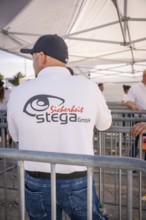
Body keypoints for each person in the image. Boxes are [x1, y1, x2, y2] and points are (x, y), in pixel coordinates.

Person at [7, 34, 112, 220]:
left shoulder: (19, 91)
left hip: (35, 180)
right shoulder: (88, 87)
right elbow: (105, 124)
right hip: (77, 178)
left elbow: (14, 136)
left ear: (41, 56)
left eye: (33, 58)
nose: (33, 63)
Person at [125, 70, 146, 158]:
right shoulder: (135, 88)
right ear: (145, 76)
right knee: (139, 141)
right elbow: (127, 101)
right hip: (141, 119)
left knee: (141, 142)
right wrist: (133, 106)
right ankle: (130, 164)